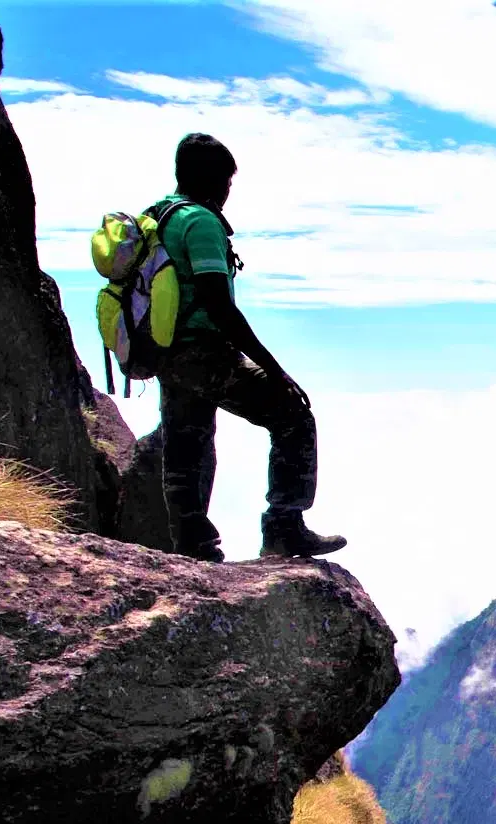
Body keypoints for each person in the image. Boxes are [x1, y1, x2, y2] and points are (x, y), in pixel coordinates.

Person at [153, 133, 345, 562]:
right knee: (293, 416)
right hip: (204, 352)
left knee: (187, 447)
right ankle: (284, 528)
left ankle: (193, 549)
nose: (227, 191)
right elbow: (219, 306)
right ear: (209, 177)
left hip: (167, 355)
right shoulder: (200, 222)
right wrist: (275, 370)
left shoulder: (160, 217)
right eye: (225, 180)